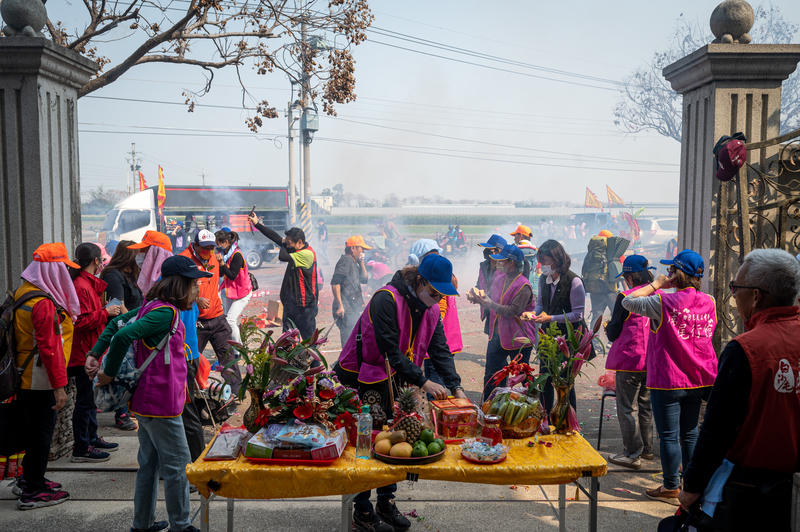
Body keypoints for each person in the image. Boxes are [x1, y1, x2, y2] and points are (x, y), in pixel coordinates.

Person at [334, 254, 466, 532]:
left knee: (397, 440)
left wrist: (456, 386)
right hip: (365, 378)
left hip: (398, 378)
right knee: (367, 446)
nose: (435, 299)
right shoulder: (386, 299)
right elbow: (389, 350)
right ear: (419, 281)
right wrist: (422, 381)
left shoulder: (430, 308)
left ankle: (385, 501)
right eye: (432, 292)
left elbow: (439, 348)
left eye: (441, 296)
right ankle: (362, 508)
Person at [674, 249, 800, 530]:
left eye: (736, 288)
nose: (732, 295)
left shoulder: (746, 348)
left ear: (756, 295)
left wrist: (692, 486)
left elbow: (717, 427)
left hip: (753, 493)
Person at [87, 256, 208, 532]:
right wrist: (106, 373)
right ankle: (181, 525)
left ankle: (141, 525)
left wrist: (95, 353)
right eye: (194, 285)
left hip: (148, 401)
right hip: (161, 404)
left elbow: (114, 326)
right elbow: (121, 336)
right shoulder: (165, 313)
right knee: (179, 466)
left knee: (149, 465)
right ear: (181, 286)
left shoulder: (152, 306)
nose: (197, 291)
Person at [622, 249, 717, 505]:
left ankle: (671, 486)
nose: (667, 274)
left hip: (669, 379)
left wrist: (655, 284)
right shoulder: (710, 301)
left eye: (671, 270)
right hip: (699, 378)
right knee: (690, 433)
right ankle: (692, 484)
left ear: (677, 274)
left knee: (668, 436)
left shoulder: (662, 301)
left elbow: (627, 301)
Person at [12, 243, 79, 510]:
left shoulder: (25, 291)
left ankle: (29, 479)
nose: (66, 273)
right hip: (39, 379)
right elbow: (50, 350)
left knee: (33, 431)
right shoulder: (43, 303)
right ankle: (33, 491)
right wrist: (60, 387)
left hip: (26, 374)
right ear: (53, 270)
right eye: (62, 267)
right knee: (41, 434)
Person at [68, 243, 121, 464]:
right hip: (83, 352)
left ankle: (90, 439)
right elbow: (79, 321)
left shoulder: (87, 284)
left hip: (91, 350)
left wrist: (102, 310)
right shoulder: (81, 285)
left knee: (90, 400)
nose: (102, 263)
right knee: (85, 401)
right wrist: (104, 312)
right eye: (100, 260)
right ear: (95, 261)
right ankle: (81, 447)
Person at [604, 255, 657, 470]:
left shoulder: (625, 297)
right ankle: (647, 450)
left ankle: (631, 453)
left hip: (630, 359)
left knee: (627, 407)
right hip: (653, 360)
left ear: (630, 276)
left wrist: (608, 327)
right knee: (646, 406)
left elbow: (614, 331)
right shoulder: (660, 295)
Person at [529, 239, 591, 414]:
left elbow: (577, 315)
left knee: (564, 382)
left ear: (557, 260)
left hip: (568, 338)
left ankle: (568, 420)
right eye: (541, 261)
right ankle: (546, 417)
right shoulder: (543, 279)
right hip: (547, 337)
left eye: (546, 261)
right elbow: (541, 304)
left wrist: (550, 318)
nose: (543, 265)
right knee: (544, 378)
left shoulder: (574, 281)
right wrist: (533, 314)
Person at [470, 245, 538, 401]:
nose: (498, 263)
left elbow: (513, 310)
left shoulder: (523, 285)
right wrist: (478, 298)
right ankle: (489, 406)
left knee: (522, 376)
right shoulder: (500, 277)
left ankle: (531, 407)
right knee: (491, 374)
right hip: (498, 335)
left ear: (511, 263)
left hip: (519, 337)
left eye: (502, 260)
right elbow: (489, 295)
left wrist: (490, 304)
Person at [180, 230, 240, 396]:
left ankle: (235, 392)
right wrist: (195, 299)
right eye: (205, 248)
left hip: (218, 317)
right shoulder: (184, 259)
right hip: (197, 322)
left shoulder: (214, 256)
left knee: (228, 356)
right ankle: (187, 394)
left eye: (212, 248)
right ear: (196, 245)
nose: (210, 252)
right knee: (190, 360)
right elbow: (177, 288)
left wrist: (221, 263)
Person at [248, 213, 319, 339]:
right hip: (291, 304)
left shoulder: (307, 254)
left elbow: (282, 256)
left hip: (304, 306)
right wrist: (257, 224)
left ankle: (313, 359)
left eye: (289, 242)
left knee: (309, 343)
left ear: (300, 242)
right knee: (287, 340)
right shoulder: (294, 248)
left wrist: (284, 244)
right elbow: (274, 237)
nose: (287, 244)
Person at [99, 240, 143, 431]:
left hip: (134, 328)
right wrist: (134, 326)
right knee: (123, 370)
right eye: (138, 253)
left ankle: (128, 407)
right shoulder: (112, 275)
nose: (141, 257)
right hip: (122, 330)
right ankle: (121, 413)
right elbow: (116, 304)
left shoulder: (132, 274)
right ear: (129, 255)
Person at [407, 239, 461, 387]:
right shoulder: (392, 298)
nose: (437, 299)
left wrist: (456, 386)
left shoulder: (433, 286)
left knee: (435, 381)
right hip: (439, 339)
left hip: (438, 338)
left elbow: (440, 312)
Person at [214, 230, 253, 345]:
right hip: (232, 292)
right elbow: (222, 274)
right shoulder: (226, 255)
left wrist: (221, 263)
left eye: (219, 243)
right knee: (228, 320)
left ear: (226, 242)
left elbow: (231, 276)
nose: (217, 246)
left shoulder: (236, 255)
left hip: (243, 292)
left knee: (230, 320)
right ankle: (231, 346)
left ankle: (239, 349)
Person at [331, 236, 370, 347]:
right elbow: (335, 283)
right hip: (345, 309)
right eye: (361, 248)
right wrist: (340, 306)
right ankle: (342, 364)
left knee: (354, 340)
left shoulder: (354, 262)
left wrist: (361, 263)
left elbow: (364, 279)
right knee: (349, 342)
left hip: (352, 307)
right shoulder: (346, 261)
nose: (362, 251)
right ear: (353, 248)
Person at [582, 231, 619, 323]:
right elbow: (620, 272)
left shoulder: (591, 253)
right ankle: (617, 337)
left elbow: (584, 271)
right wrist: (627, 289)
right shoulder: (613, 253)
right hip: (610, 290)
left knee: (596, 317)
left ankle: (593, 337)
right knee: (617, 315)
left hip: (595, 289)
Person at [475, 235, 507, 336]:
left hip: (501, 310)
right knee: (492, 338)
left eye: (493, 250)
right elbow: (479, 284)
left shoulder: (506, 268)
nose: (490, 252)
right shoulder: (484, 266)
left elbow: (500, 288)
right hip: (488, 308)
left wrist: (483, 296)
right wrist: (474, 292)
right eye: (488, 249)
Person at [129, 230, 173, 296]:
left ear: (157, 254)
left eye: (144, 251)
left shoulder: (166, 280)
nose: (139, 255)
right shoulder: (155, 278)